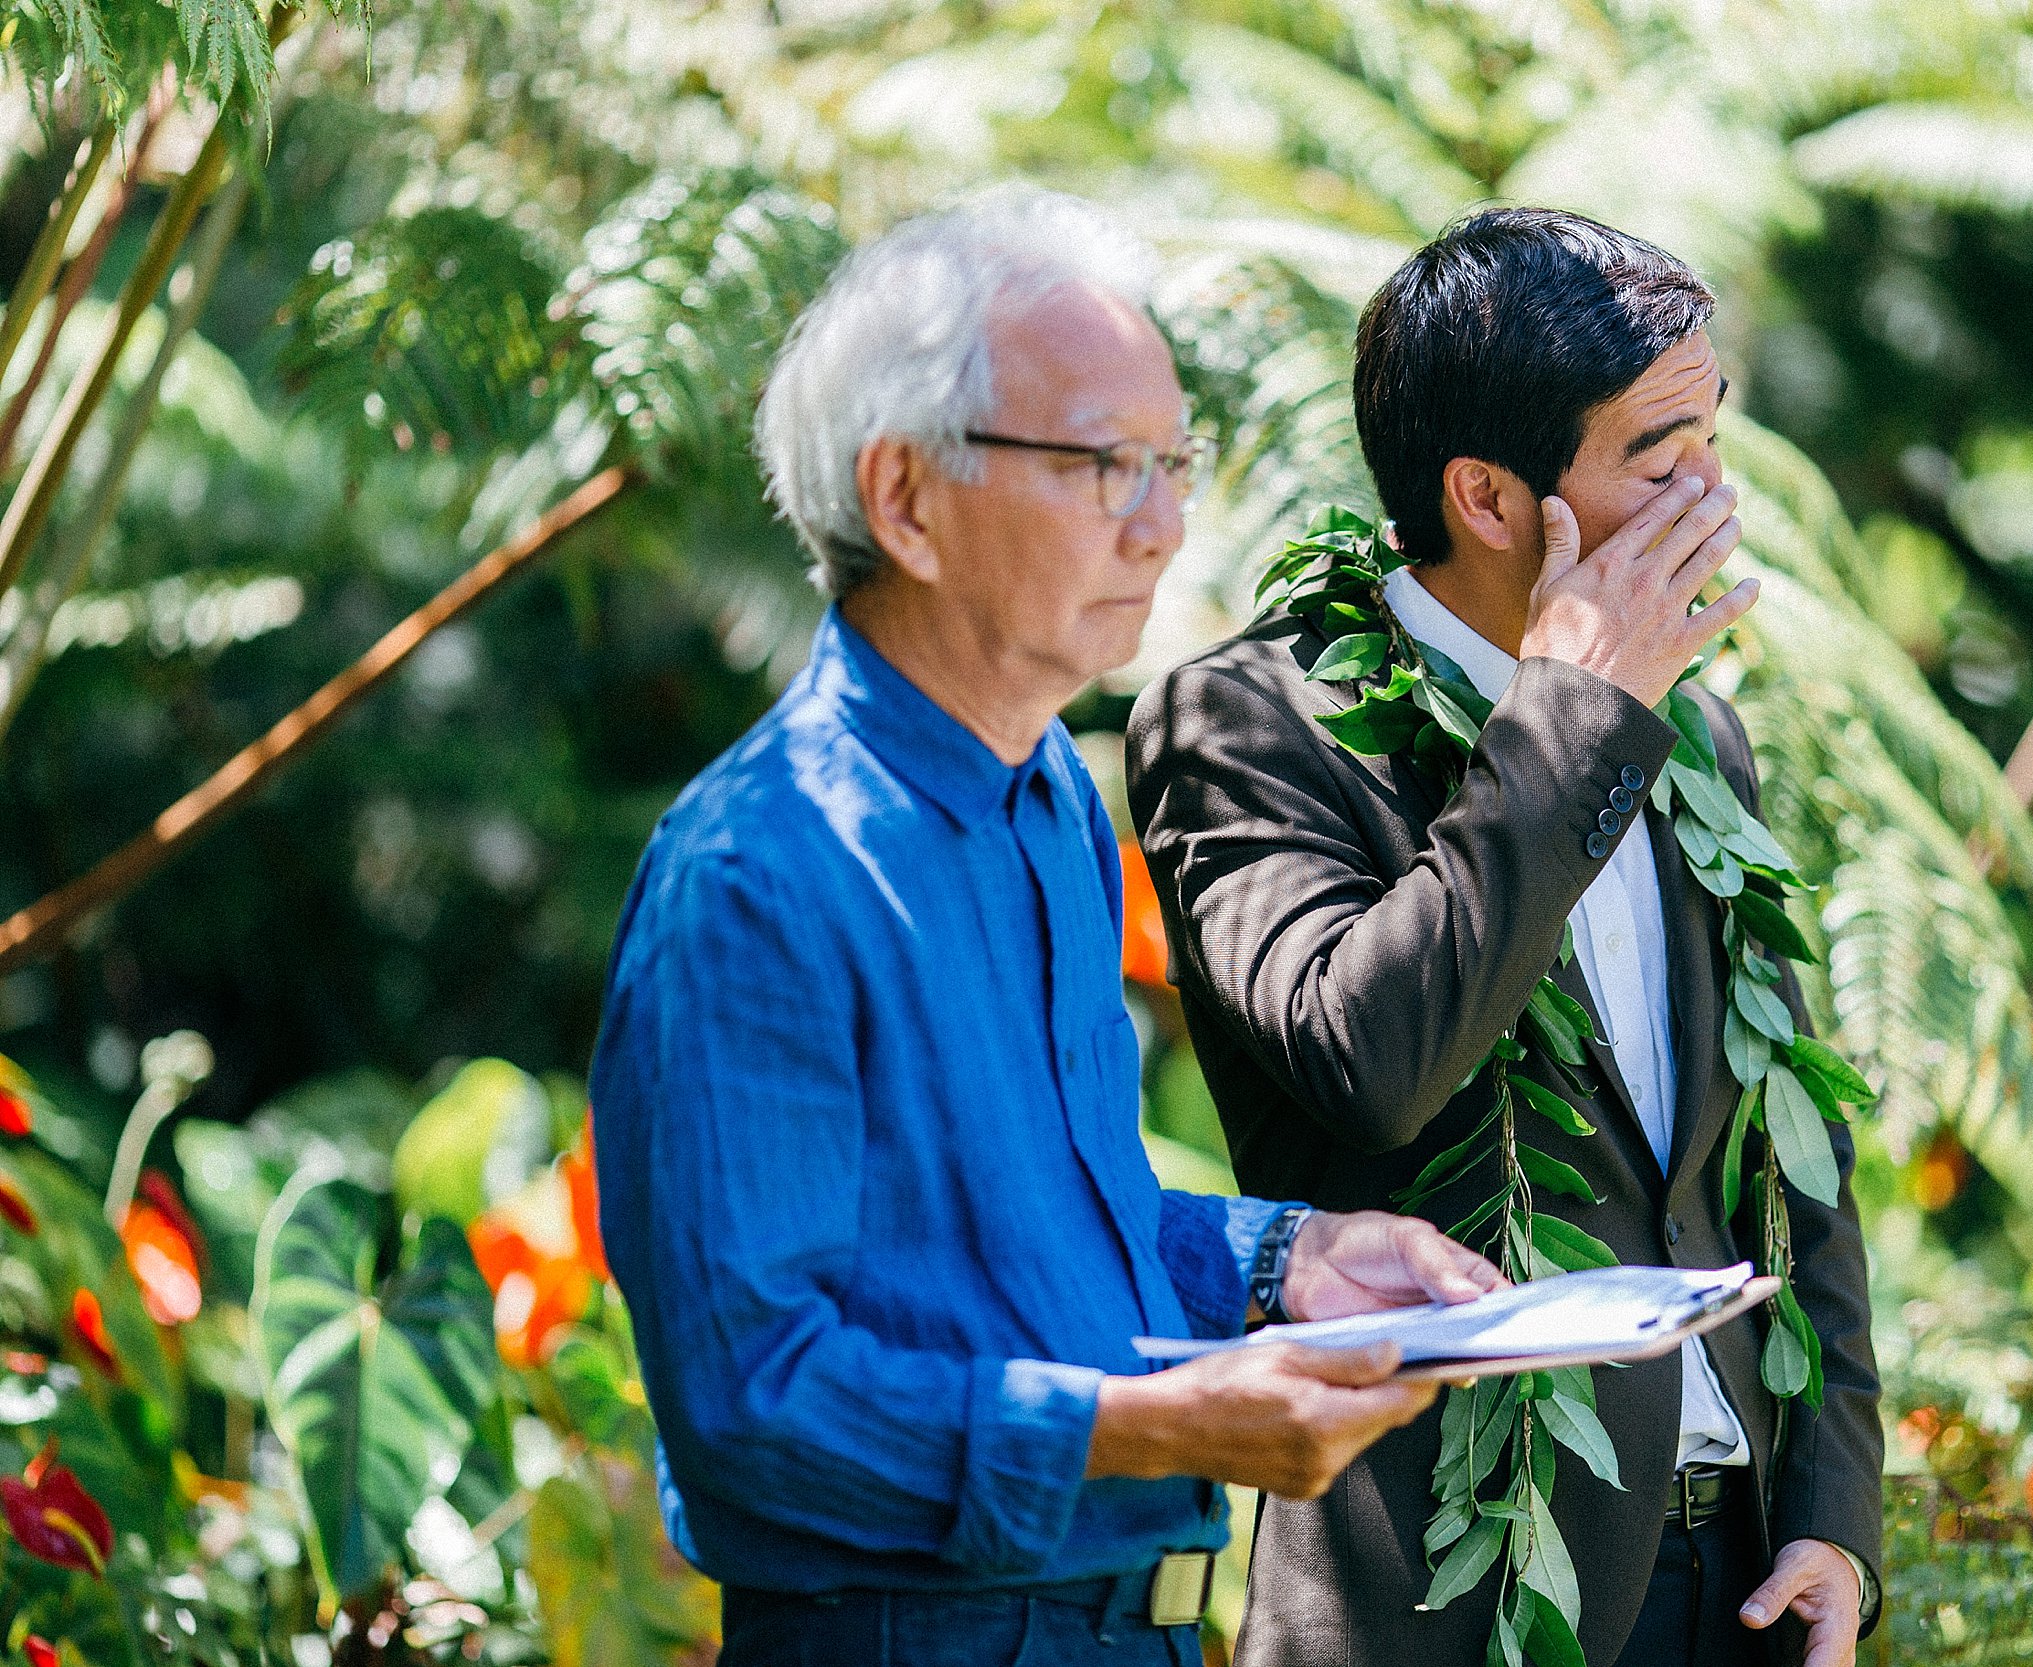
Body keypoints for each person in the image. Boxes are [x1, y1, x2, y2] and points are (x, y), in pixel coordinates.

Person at [589, 189, 1503, 1667]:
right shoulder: (760, 871)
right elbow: (755, 1402)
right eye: (1101, 466)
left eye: (1175, 465)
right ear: (904, 500)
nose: (1162, 525)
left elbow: (1055, 1239)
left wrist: (1290, 1265)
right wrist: (1141, 1428)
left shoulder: (1054, 809)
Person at [1126, 208, 1884, 1667]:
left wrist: (1835, 1520)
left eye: (1714, 436)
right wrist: (1572, 718)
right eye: (1660, 457)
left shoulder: (1698, 734)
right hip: (1445, 1600)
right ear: (1486, 495)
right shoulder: (1248, 723)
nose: (1712, 493)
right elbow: (1372, 1058)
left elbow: (1794, 1161)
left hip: (1739, 1589)